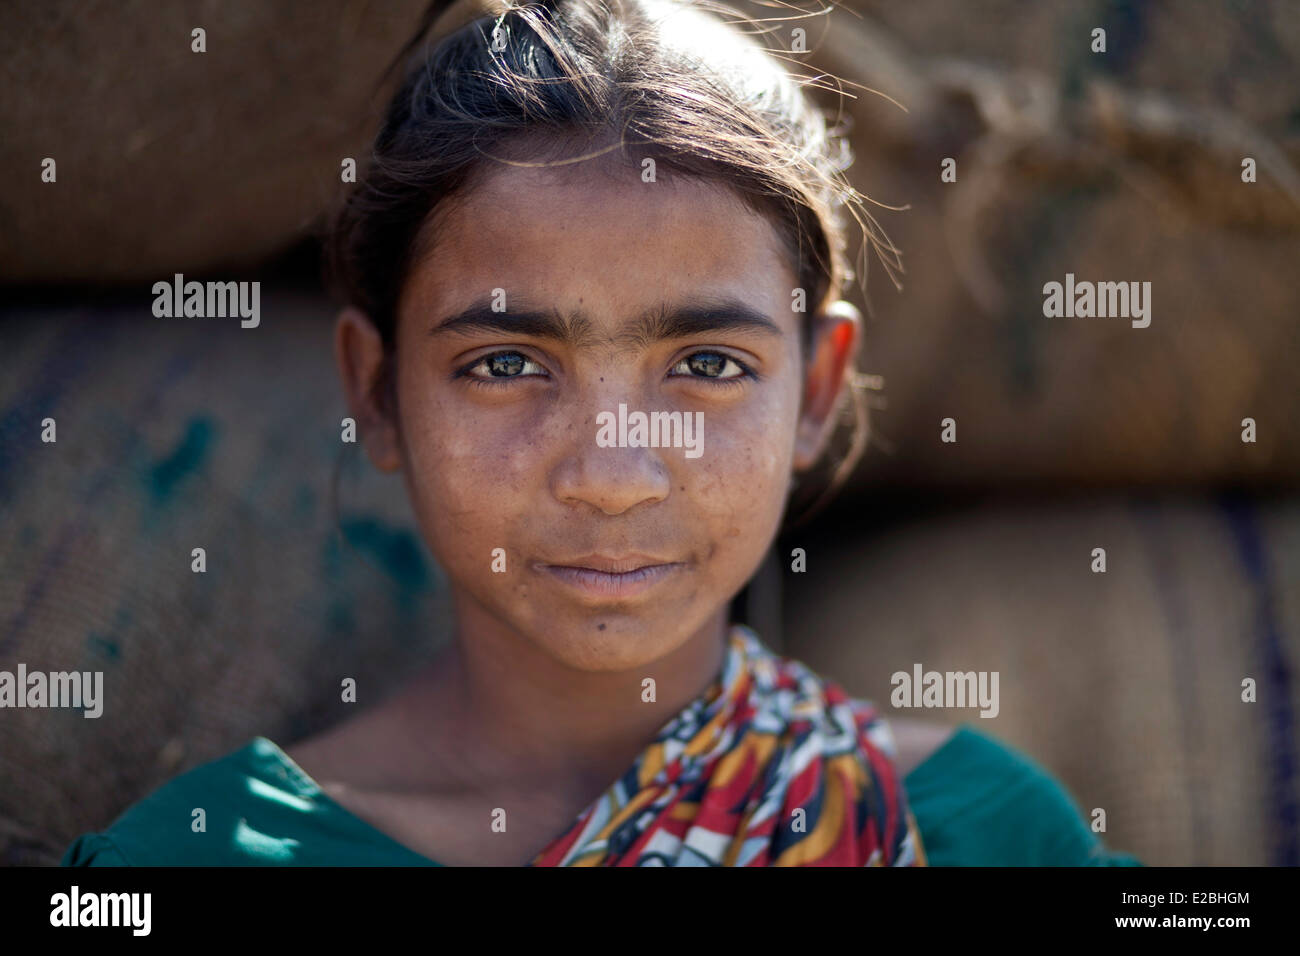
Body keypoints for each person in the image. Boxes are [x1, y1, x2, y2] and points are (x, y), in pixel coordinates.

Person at [63, 0, 1140, 867]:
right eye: (506, 364)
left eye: (709, 364)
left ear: (816, 390)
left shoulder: (971, 829)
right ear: (380, 390)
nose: (611, 474)